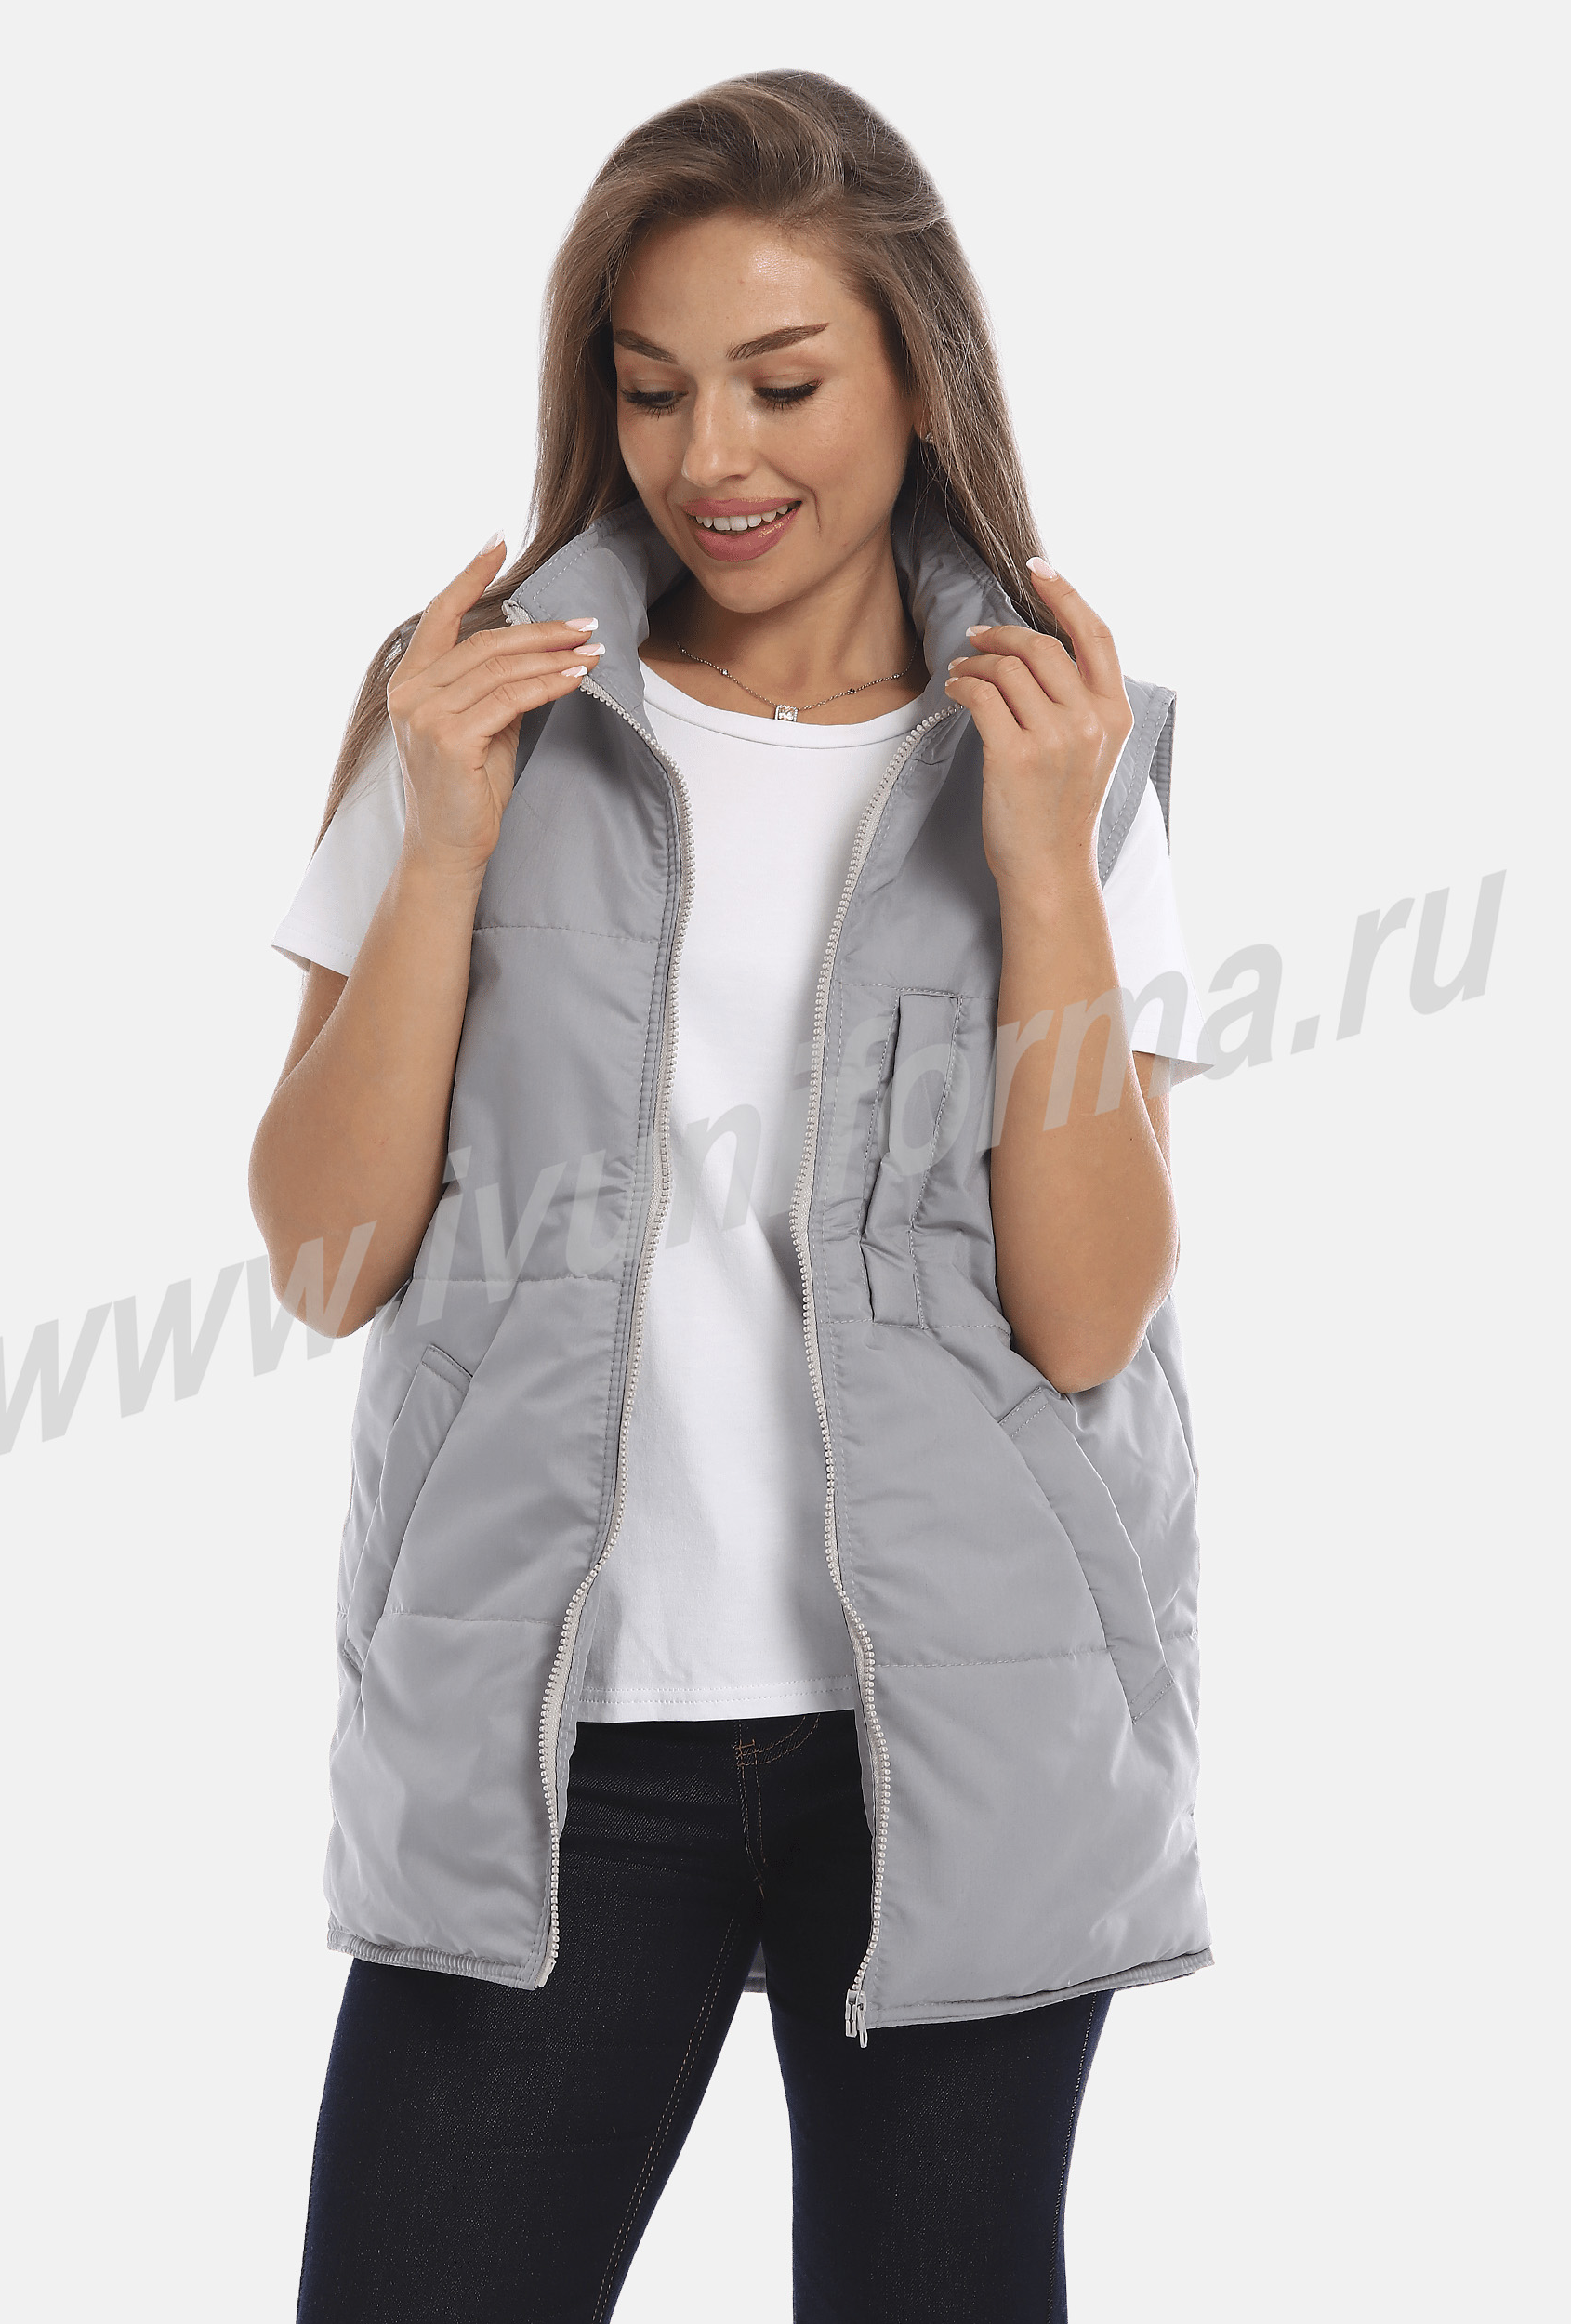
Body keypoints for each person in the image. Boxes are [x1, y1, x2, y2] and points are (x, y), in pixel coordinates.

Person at [249, 67, 1213, 2324]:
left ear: (913, 376)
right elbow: (321, 1253)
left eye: (783, 383)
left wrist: (1045, 866)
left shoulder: (1065, 752)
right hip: (555, 1742)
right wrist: (446, 843)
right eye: (652, 384)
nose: (711, 455)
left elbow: (1089, 1314)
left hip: (961, 1735)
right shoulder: (468, 715)